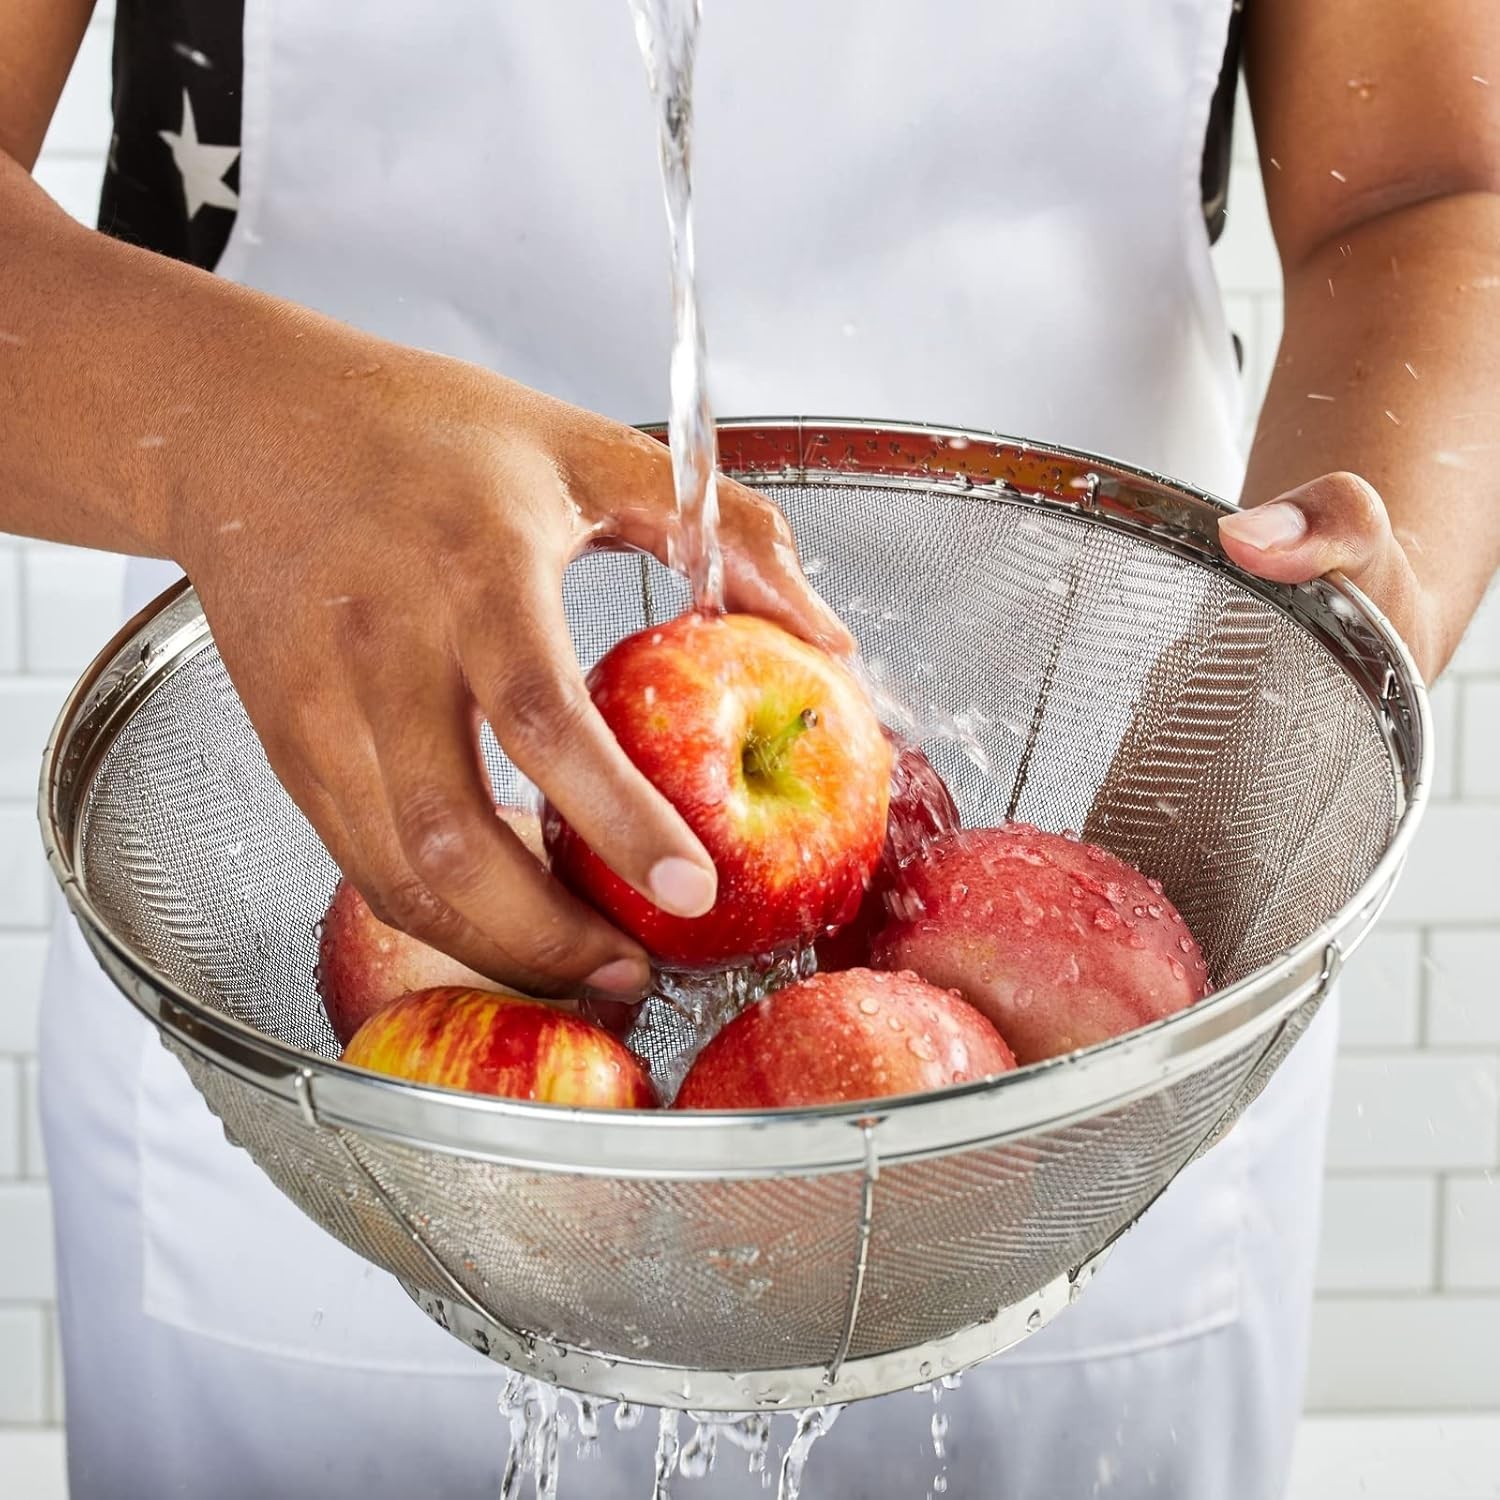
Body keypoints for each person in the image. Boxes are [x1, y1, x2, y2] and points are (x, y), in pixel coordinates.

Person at [3, 0, 1497, 1495]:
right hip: (354, 1086)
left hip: (1080, 1055)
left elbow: (1434, 186)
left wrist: (1287, 689)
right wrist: (233, 434)